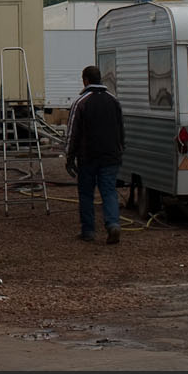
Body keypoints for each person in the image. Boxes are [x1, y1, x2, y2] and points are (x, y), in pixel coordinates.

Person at [64, 65, 125, 244]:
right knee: (109, 191)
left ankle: (88, 231)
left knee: (86, 193)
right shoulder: (114, 101)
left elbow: (72, 132)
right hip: (111, 155)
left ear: (85, 80)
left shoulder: (81, 102)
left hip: (88, 156)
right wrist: (121, 150)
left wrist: (69, 156)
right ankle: (113, 224)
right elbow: (121, 129)